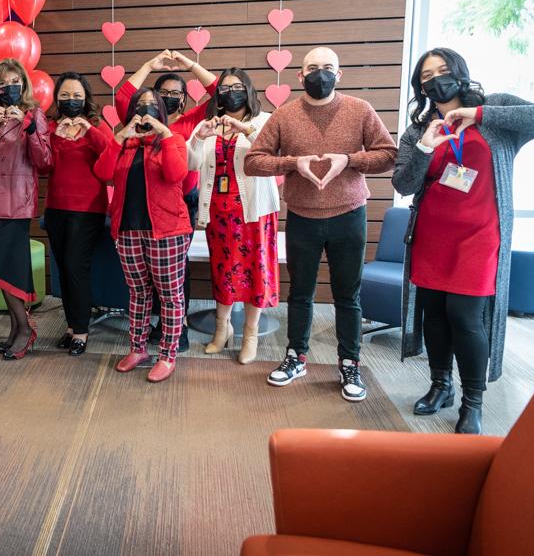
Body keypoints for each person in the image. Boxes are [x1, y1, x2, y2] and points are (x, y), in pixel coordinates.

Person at [393, 47, 534, 434]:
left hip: (480, 238)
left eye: (443, 71)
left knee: (466, 319)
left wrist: (477, 113)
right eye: (426, 77)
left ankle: (473, 400)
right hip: (432, 236)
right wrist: (425, 147)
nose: (436, 80)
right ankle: (440, 386)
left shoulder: (494, 112)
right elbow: (403, 183)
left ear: (460, 73)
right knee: (433, 314)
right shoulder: (418, 130)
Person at [245, 46, 396, 402]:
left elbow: (388, 155)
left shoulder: (360, 109)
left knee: (347, 296)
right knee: (300, 293)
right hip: (302, 217)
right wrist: (292, 163)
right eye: (312, 67)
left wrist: (349, 159)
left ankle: (349, 363)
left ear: (339, 74)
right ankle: (296, 357)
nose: (320, 73)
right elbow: (253, 161)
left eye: (328, 67)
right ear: (300, 76)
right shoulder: (284, 115)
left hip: (349, 215)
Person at [118, 50, 216, 351]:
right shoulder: (139, 122)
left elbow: (217, 92)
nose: (171, 97)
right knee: (148, 274)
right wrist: (149, 65)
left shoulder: (190, 121)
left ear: (185, 99)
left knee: (175, 271)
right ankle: (152, 325)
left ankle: (177, 326)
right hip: (144, 203)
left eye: (177, 93)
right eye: (164, 93)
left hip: (182, 201)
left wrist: (188, 64)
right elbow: (124, 96)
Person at [184, 65, 281, 363]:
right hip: (219, 211)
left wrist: (245, 129)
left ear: (249, 91)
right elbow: (189, 163)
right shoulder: (209, 124)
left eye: (238, 87)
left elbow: (271, 157)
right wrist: (199, 137)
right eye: (225, 88)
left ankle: (249, 334)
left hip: (254, 211)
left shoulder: (264, 121)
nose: (231, 92)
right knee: (223, 271)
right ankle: (221, 330)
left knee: (255, 270)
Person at [94, 88, 191, 383]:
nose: (146, 109)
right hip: (127, 230)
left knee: (170, 297)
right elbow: (102, 172)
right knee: (137, 293)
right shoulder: (124, 143)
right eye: (140, 105)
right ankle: (138, 349)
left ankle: (167, 355)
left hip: (167, 231)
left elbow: (176, 175)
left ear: (161, 111)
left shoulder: (173, 142)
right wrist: (120, 136)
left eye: (152, 105)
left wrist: (165, 133)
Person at [0, 58, 52, 360]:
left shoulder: (35, 115)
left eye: (15, 81)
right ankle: (15, 328)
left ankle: (25, 328)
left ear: (24, 84)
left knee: (11, 272)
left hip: (18, 204)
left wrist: (29, 126)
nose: (10, 87)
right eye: (4, 83)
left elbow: (45, 161)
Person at [43, 72, 113, 356]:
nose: (70, 101)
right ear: (57, 99)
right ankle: (72, 327)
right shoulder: (49, 127)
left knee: (76, 267)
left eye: (76, 96)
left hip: (87, 210)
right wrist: (55, 137)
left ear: (86, 98)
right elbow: (44, 165)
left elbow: (111, 163)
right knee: (63, 268)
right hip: (56, 208)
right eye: (65, 96)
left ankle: (81, 330)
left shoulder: (97, 125)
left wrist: (90, 131)